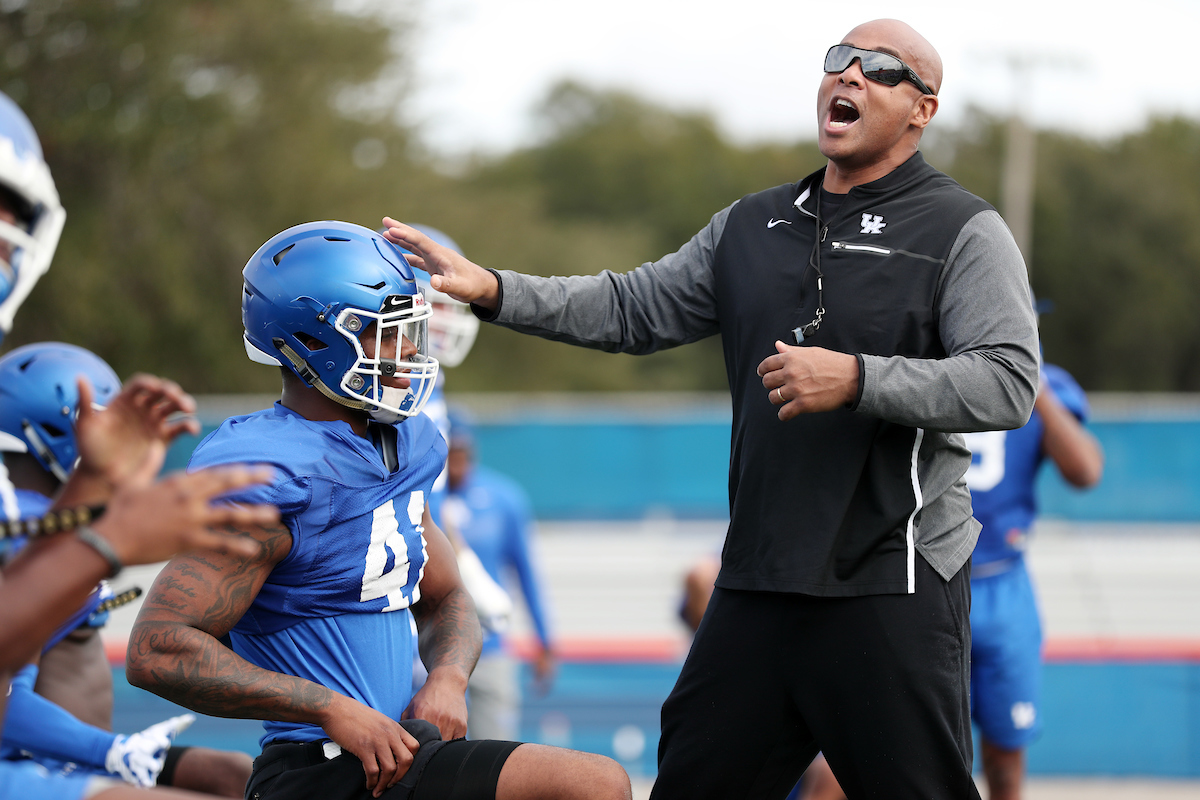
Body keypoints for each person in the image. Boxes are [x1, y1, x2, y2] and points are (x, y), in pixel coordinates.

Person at [383, 17, 1040, 799]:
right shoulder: (751, 224)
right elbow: (630, 308)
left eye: (880, 68)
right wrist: (494, 289)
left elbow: (1007, 381)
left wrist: (858, 378)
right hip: (757, 583)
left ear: (923, 109)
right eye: (839, 60)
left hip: (888, 583)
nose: (850, 75)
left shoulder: (962, 229)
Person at [125, 222, 631, 800]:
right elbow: (157, 646)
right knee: (594, 785)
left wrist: (445, 678)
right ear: (316, 343)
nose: (412, 349)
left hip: (401, 753)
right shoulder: (271, 476)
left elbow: (448, 598)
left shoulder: (402, 445)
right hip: (319, 769)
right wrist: (327, 707)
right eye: (388, 334)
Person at [0, 342, 255, 797]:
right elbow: (8, 689)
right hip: (37, 756)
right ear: (54, 431)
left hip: (68, 753)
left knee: (232, 773)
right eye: (107, 421)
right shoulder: (21, 527)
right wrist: (111, 750)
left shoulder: (53, 517)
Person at [963, 362, 1102, 799]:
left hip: (1003, 581)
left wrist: (1034, 384)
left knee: (1006, 752)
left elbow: (1085, 471)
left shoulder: (1048, 383)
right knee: (882, 749)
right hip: (925, 581)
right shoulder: (926, 364)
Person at [437, 411, 555, 741]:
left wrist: (544, 641)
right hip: (431, 651)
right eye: (449, 452)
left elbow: (527, 573)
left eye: (462, 452)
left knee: (495, 753)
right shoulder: (421, 497)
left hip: (490, 647)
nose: (457, 461)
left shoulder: (503, 498)